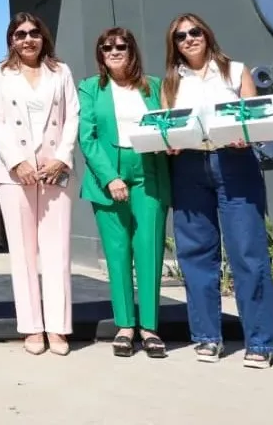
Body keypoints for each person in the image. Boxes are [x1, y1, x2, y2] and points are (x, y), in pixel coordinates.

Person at [162, 13, 273, 368]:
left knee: (247, 252)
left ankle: (259, 341)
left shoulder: (235, 71)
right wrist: (169, 143)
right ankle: (207, 337)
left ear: (207, 34)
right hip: (189, 167)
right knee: (196, 255)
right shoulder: (171, 82)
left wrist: (247, 133)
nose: (188, 39)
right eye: (180, 36)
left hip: (235, 163)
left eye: (194, 31)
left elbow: (253, 117)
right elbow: (167, 124)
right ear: (174, 45)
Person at [0, 13, 79, 356]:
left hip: (55, 170)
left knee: (57, 251)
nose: (28, 39)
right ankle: (32, 327)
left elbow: (73, 116)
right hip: (15, 173)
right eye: (20, 34)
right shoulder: (0, 73)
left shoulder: (61, 71)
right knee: (23, 253)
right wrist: (17, 162)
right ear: (11, 39)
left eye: (34, 33)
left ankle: (57, 327)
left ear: (44, 37)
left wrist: (63, 157)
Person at [77, 27, 171, 358]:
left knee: (149, 248)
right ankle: (125, 326)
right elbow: (87, 137)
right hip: (109, 175)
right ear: (100, 54)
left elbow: (168, 124)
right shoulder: (90, 88)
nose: (114, 51)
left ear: (132, 50)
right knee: (117, 252)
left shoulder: (154, 85)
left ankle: (150, 327)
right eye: (107, 47)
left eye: (121, 46)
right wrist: (110, 177)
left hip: (149, 172)